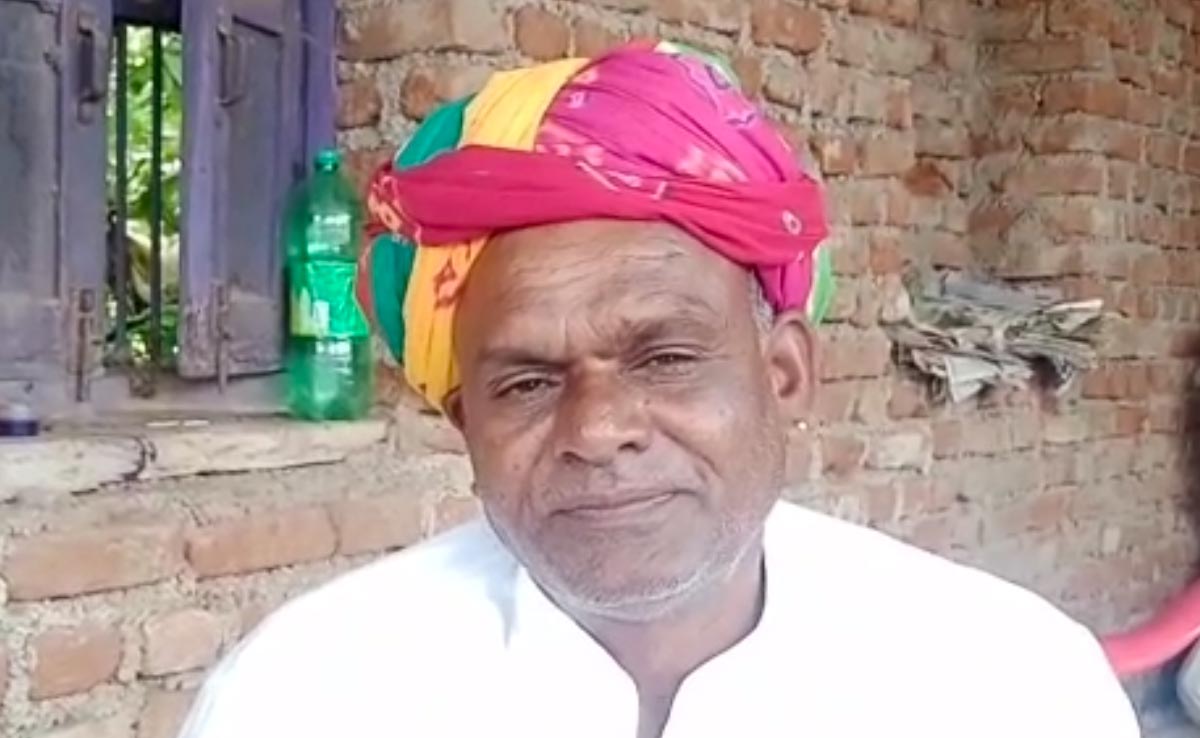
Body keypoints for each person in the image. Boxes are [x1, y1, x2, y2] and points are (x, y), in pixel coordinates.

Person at [179, 42, 1140, 738]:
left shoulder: (1008, 688)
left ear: (784, 373)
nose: (598, 429)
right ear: (464, 422)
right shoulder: (304, 698)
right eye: (526, 382)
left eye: (665, 358)